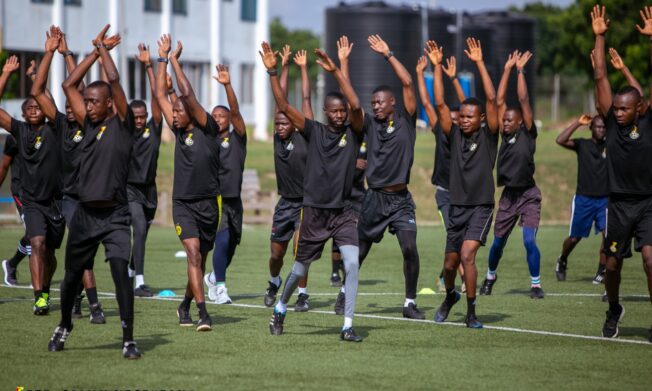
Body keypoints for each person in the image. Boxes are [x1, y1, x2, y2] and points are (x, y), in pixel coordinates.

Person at [46, 25, 141, 359]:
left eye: (93, 102)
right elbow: (68, 84)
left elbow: (114, 83)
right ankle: (64, 325)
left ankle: (128, 338)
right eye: (85, 102)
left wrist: (104, 51)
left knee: (119, 272)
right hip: (85, 214)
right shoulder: (87, 124)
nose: (86, 106)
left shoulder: (124, 125)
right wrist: (91, 53)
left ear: (109, 106)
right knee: (72, 276)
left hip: (115, 215)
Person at [260, 41, 364, 342]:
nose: (341, 115)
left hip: (343, 213)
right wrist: (271, 71)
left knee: (352, 264)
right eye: (335, 111)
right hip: (315, 212)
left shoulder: (353, 132)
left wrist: (338, 69)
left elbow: (357, 105)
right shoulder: (313, 131)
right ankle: (281, 306)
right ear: (325, 112)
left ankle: (347, 325)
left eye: (343, 111)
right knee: (299, 268)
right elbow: (283, 106)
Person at [338, 34, 425, 320]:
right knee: (358, 254)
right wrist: (343, 64)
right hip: (373, 199)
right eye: (372, 103)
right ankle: (343, 293)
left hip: (400, 200)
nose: (374, 106)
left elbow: (409, 83)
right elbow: (351, 101)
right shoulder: (368, 125)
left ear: (392, 103)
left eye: (379, 102)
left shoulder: (407, 121)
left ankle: (409, 303)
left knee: (410, 248)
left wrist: (388, 54)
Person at [30, 27, 106, 323]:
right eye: (68, 106)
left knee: (79, 253)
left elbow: (77, 87)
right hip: (69, 199)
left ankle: (76, 298)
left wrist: (70, 55)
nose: (72, 108)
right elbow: (37, 91)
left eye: (79, 103)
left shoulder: (90, 127)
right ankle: (94, 306)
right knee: (77, 250)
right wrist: (49, 53)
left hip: (93, 197)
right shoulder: (60, 124)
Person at [429, 38, 499, 329]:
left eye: (471, 117)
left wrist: (480, 63)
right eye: (462, 117)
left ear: (481, 119)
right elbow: (441, 103)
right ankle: (450, 297)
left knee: (468, 255)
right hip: (456, 207)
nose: (465, 121)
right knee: (448, 266)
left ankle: (471, 313)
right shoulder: (454, 133)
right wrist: (435, 68)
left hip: (480, 207)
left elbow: (494, 100)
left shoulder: (489, 135)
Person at [591, 5, 652, 340]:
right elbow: (600, 75)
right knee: (612, 265)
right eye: (614, 108)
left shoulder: (648, 122)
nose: (617, 113)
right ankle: (614, 308)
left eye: (624, 108)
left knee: (650, 261)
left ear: (639, 109)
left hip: (648, 203)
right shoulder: (612, 126)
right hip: (618, 205)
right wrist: (599, 37)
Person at [154, 34, 221, 332]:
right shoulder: (181, 131)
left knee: (199, 261)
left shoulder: (209, 128)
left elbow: (187, 95)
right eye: (174, 113)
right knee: (193, 254)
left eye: (178, 112)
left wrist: (176, 63)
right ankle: (203, 313)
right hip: (183, 204)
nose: (174, 116)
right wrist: (161, 59)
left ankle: (184, 304)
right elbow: (160, 96)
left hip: (210, 204)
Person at [0, 46, 63, 317]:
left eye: (39, 106)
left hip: (56, 202)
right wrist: (5, 74)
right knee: (37, 241)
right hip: (31, 199)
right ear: (24, 113)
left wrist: (43, 64)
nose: (35, 108)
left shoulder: (55, 129)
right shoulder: (18, 131)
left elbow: (42, 93)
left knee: (50, 254)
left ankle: (45, 288)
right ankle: (40, 298)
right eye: (30, 107)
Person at [479, 50, 544, 299]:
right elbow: (497, 102)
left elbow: (523, 99)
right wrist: (506, 69)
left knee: (529, 241)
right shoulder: (502, 136)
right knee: (497, 244)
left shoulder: (528, 132)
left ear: (520, 122)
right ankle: (490, 276)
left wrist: (519, 71)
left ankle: (535, 285)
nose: (504, 123)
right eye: (503, 120)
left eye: (509, 120)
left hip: (528, 194)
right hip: (508, 196)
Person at [264, 46, 311, 311]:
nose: (280, 127)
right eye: (277, 124)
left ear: (294, 124)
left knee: (300, 247)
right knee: (276, 254)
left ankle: (302, 294)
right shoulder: (277, 137)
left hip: (306, 203)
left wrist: (303, 68)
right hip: (285, 204)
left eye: (284, 124)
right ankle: (274, 281)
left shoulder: (305, 134)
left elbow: (305, 98)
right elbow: (278, 100)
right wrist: (283, 66)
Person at [416, 54, 467, 293]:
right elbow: (429, 103)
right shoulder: (439, 130)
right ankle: (464, 279)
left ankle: (445, 273)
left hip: (467, 195)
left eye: (458, 119)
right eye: (450, 118)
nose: (452, 121)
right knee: (454, 236)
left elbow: (471, 108)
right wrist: (420, 74)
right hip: (446, 194)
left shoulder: (466, 137)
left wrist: (454, 79)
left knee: (465, 241)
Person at [203, 64, 247, 305]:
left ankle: (213, 277)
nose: (217, 119)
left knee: (230, 247)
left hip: (234, 201)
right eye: (214, 116)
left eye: (221, 116)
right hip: (215, 199)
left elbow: (237, 112)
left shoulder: (237, 138)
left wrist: (227, 85)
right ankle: (220, 288)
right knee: (221, 242)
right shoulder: (207, 140)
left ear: (230, 119)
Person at [554, 114, 608, 284]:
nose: (601, 130)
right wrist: (578, 123)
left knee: (608, 236)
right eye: (598, 126)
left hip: (605, 200)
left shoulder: (611, 146)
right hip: (584, 199)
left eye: (604, 127)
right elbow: (560, 140)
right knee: (574, 238)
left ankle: (601, 271)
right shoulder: (582, 145)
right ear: (591, 128)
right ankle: (562, 259)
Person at [128, 43, 164, 298]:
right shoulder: (124, 131)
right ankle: (139, 281)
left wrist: (149, 66)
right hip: (129, 190)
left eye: (142, 116)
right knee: (138, 228)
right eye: (135, 117)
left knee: (144, 233)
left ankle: (130, 270)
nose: (139, 120)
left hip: (150, 190)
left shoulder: (155, 128)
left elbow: (158, 95)